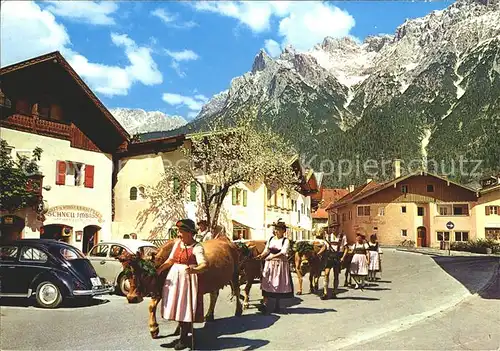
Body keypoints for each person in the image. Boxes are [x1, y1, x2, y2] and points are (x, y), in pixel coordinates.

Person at [161, 219, 208, 350]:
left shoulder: (197, 247)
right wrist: (159, 269)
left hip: (188, 280)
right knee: (176, 307)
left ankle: (183, 339)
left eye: (181, 231)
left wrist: (194, 270)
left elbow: (204, 264)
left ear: (189, 233)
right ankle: (182, 337)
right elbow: (170, 260)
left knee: (185, 308)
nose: (179, 234)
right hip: (175, 278)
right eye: (178, 231)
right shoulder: (177, 244)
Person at [256, 220, 293, 314]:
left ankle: (277, 304)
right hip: (269, 263)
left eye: (279, 230)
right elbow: (267, 249)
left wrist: (273, 256)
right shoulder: (271, 239)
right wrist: (262, 255)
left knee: (278, 282)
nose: (276, 231)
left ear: (283, 231)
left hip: (279, 264)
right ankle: (265, 304)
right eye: (276, 229)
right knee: (266, 281)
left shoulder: (286, 241)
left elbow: (283, 252)